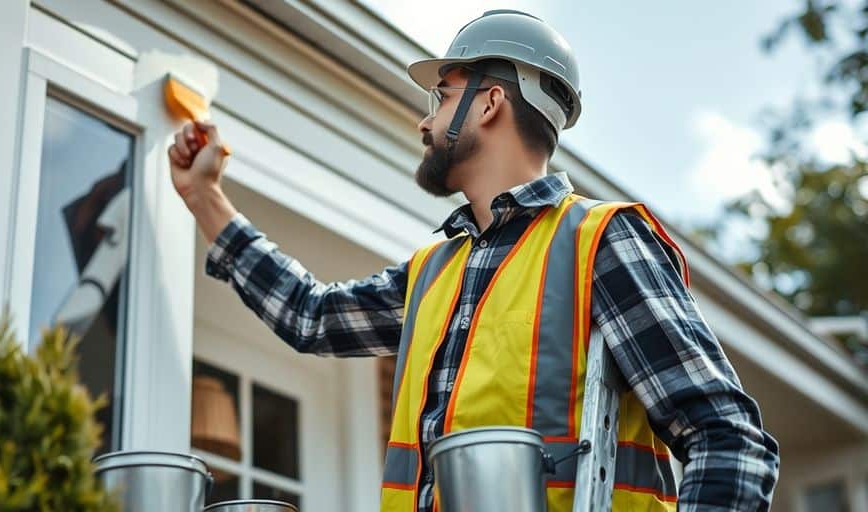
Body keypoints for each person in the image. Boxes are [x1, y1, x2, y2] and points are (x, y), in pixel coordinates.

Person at [167, 9, 779, 512]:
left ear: (488, 104)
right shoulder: (435, 268)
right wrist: (204, 196)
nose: (423, 120)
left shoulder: (600, 241)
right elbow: (313, 317)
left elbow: (728, 440)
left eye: (441, 95)